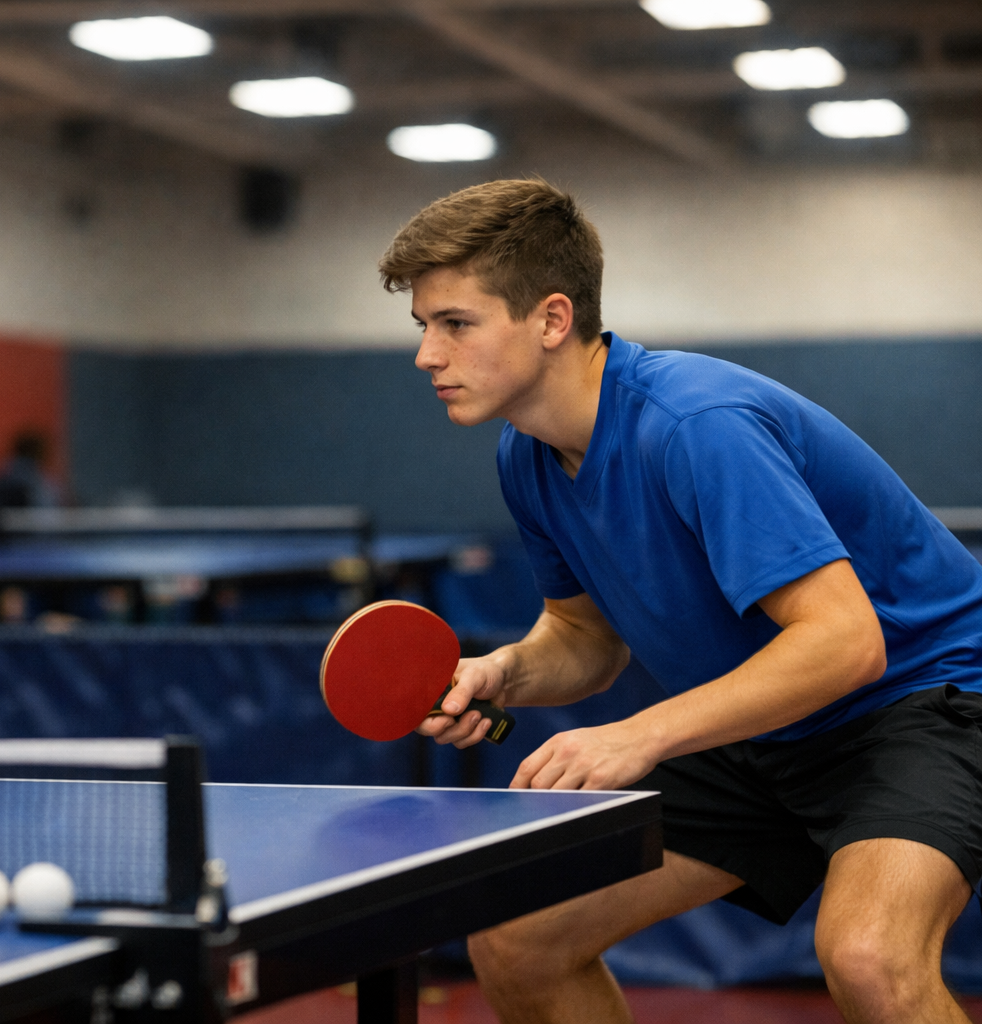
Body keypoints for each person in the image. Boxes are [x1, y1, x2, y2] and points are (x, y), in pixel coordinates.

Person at [383, 178, 982, 1023]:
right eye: (423, 328)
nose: (426, 356)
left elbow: (848, 644)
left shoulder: (696, 425)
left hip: (922, 703)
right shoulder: (528, 456)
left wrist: (641, 734)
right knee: (519, 936)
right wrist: (505, 673)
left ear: (552, 320)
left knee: (871, 957)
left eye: (455, 324)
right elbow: (584, 636)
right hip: (768, 727)